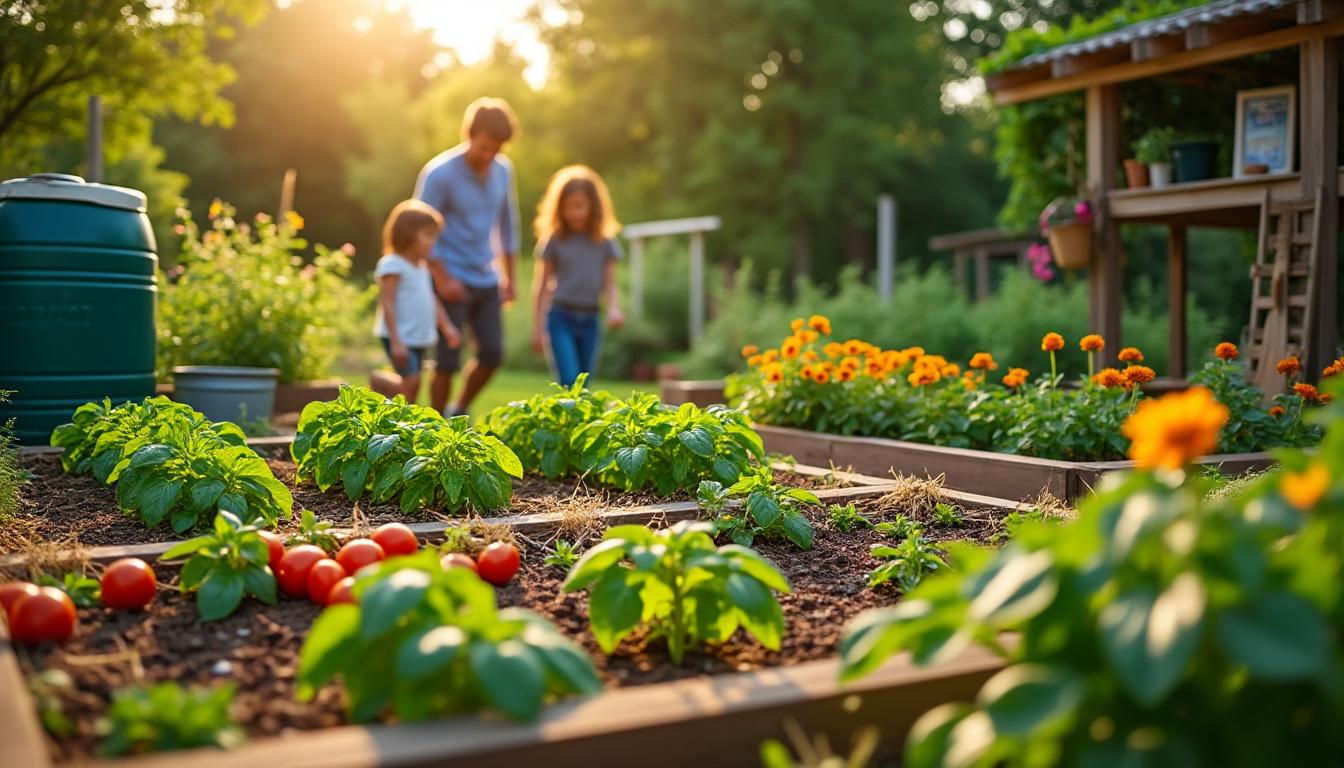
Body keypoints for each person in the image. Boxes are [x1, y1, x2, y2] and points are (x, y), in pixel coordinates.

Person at [413, 97, 520, 417]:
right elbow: (418, 229)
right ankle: (436, 425)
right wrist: (442, 278)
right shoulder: (439, 174)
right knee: (446, 360)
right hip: (450, 275)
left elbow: (507, 225)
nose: (489, 156)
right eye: (484, 147)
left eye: (496, 150)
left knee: (492, 353)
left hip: (486, 274)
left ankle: (458, 410)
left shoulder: (503, 171)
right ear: (469, 134)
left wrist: (511, 277)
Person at [530, 165, 625, 386]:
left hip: (591, 319)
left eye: (579, 206)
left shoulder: (605, 241)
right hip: (560, 317)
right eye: (567, 207)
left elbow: (610, 284)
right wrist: (537, 329)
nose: (574, 213)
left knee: (584, 385)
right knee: (570, 381)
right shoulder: (554, 239)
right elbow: (541, 286)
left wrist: (614, 308)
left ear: (594, 205)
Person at [373, 200, 461, 403]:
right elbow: (387, 302)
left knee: (413, 385)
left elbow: (432, 299)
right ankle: (380, 383)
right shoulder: (392, 264)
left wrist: (447, 327)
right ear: (408, 233)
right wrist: (396, 341)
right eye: (428, 235)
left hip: (418, 336)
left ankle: (394, 403)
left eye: (434, 237)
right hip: (399, 336)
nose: (432, 242)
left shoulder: (423, 267)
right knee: (411, 382)